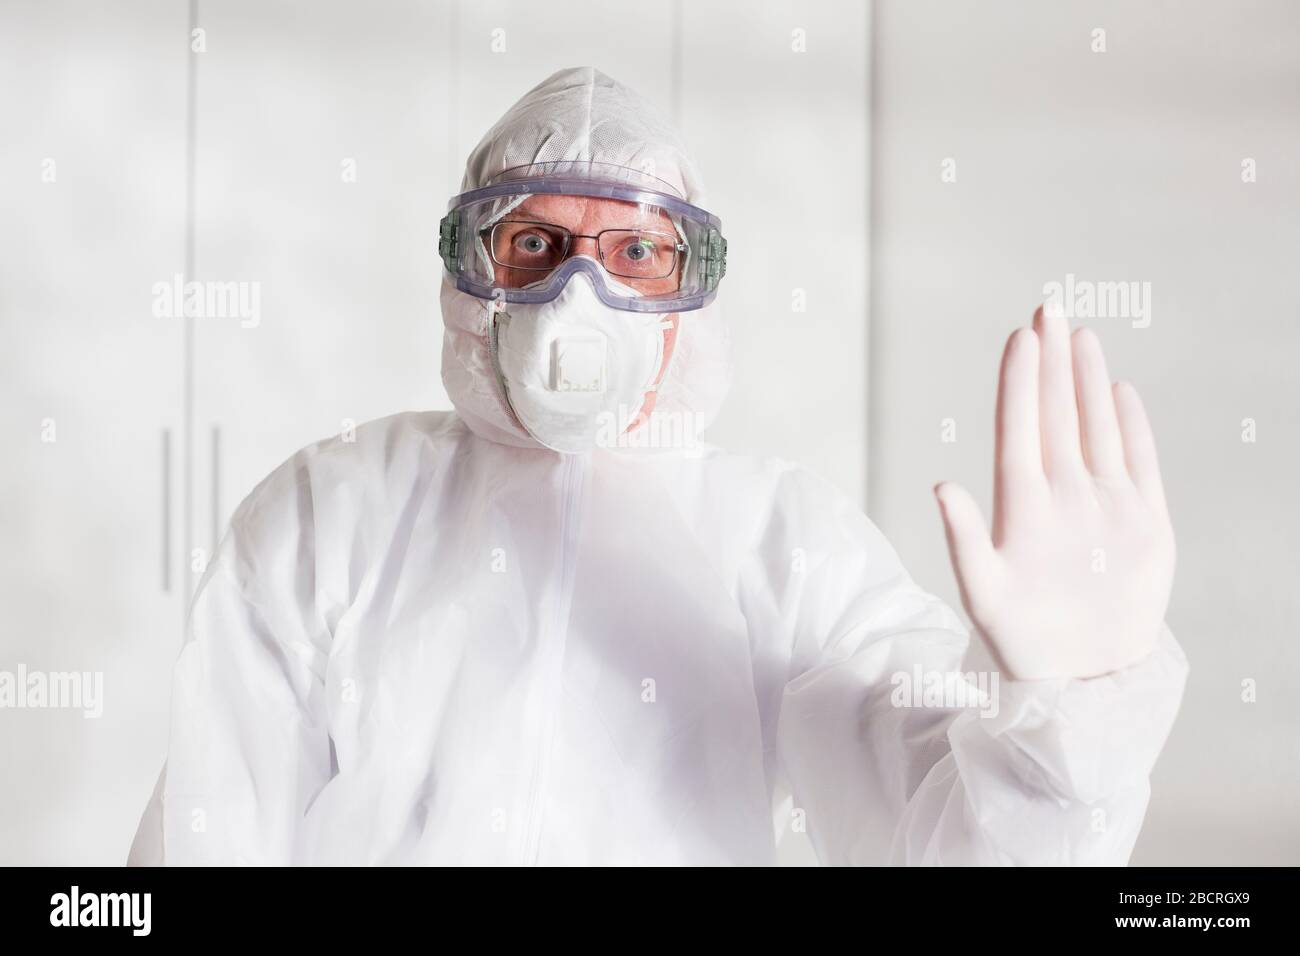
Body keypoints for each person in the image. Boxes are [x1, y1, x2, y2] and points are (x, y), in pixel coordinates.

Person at [129, 66, 1186, 866]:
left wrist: (1070, 712)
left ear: (693, 288)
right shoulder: (333, 513)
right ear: (471, 275)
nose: (577, 296)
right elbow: (209, 836)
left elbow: (942, 837)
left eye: (636, 252)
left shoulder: (786, 546)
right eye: (534, 246)